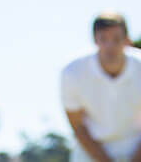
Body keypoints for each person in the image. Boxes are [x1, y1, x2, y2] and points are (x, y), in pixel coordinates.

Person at [60, 12, 141, 162]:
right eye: (103, 39)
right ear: (95, 41)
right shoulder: (73, 72)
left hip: (136, 148)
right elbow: (78, 126)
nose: (110, 46)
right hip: (91, 152)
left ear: (127, 41)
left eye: (116, 39)